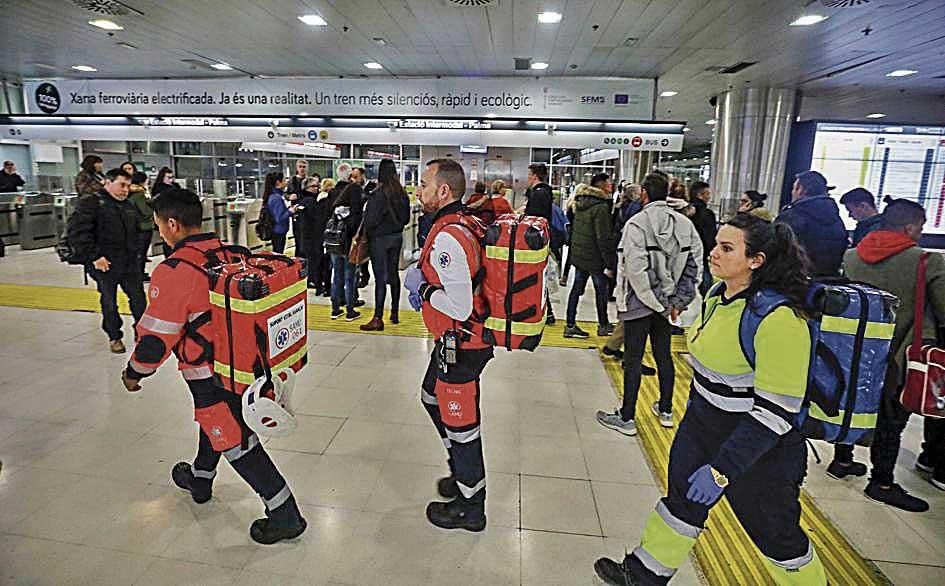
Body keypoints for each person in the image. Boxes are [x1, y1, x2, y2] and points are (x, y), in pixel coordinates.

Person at [594, 213, 826, 586]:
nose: (713, 253)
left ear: (757, 261)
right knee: (681, 504)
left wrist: (723, 469)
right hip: (703, 426)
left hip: (760, 448)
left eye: (726, 248)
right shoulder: (719, 296)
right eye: (716, 243)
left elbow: (774, 413)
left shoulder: (779, 319)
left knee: (774, 531)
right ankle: (643, 575)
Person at [120, 188, 306, 545]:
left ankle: (286, 515)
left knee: (234, 439)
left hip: (208, 373)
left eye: (159, 224)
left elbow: (157, 338)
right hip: (248, 364)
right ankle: (201, 479)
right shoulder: (233, 253)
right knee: (216, 421)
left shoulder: (174, 271)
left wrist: (134, 373)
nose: (159, 232)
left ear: (172, 224)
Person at [825, 198, 936, 512]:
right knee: (891, 419)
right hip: (899, 354)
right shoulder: (926, 260)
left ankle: (842, 460)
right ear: (911, 226)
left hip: (856, 349)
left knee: (853, 403)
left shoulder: (852, 255)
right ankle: (882, 482)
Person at [403, 158, 494, 531]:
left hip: (462, 344)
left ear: (444, 190)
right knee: (430, 398)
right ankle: (461, 470)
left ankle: (471, 508)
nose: (419, 191)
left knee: (463, 428)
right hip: (453, 342)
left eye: (424, 184)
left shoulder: (448, 236)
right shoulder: (463, 222)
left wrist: (422, 289)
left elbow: (459, 305)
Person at [596, 172, 702, 435]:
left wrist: (653, 301)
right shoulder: (684, 224)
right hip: (667, 304)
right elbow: (694, 265)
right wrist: (675, 302)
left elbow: (636, 270)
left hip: (639, 303)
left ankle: (627, 416)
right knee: (663, 354)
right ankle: (666, 409)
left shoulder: (637, 224)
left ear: (644, 193)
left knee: (633, 358)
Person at [67, 168, 147, 353]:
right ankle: (114, 336)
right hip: (104, 262)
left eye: (128, 186)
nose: (125, 189)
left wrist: (138, 255)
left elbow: (136, 231)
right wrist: (94, 256)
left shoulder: (127, 205)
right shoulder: (92, 203)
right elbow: (77, 233)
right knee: (109, 301)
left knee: (139, 299)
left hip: (128, 262)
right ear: (107, 182)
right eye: (121, 185)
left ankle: (142, 332)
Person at [564, 174, 617, 339]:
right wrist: (609, 263)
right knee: (601, 291)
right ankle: (603, 325)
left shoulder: (580, 203)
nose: (611, 186)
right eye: (609, 183)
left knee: (576, 290)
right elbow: (603, 237)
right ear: (601, 185)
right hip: (594, 258)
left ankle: (570, 325)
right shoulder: (600, 207)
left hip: (581, 255)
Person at [360, 158, 411, 331]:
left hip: (379, 240)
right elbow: (406, 219)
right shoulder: (401, 193)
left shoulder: (378, 194)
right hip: (397, 237)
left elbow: (370, 221)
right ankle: (395, 313)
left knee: (380, 278)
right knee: (393, 275)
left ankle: (377, 318)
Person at [776, 170, 848, 277]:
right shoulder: (836, 218)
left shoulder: (790, 217)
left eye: (793, 188)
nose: (792, 192)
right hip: (829, 280)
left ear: (801, 190)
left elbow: (775, 249)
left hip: (794, 281)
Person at [524, 163, 558, 325]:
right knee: (536, 278)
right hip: (541, 240)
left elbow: (534, 220)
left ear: (535, 176)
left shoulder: (538, 194)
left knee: (535, 278)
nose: (527, 177)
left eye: (529, 174)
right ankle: (547, 313)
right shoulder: (544, 192)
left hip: (534, 243)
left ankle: (546, 313)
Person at [329, 169, 365, 321]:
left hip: (334, 248)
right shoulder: (355, 215)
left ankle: (335, 309)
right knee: (350, 278)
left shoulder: (336, 212)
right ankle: (350, 310)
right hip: (349, 249)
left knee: (336, 277)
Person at [297, 177, 331, 292]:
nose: (316, 188)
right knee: (314, 260)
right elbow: (317, 220)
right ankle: (315, 281)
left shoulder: (301, 201)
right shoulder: (310, 201)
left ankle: (312, 280)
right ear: (307, 188)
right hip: (312, 238)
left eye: (317, 186)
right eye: (313, 186)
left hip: (305, 237)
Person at [689, 181, 717, 295]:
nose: (709, 197)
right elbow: (710, 238)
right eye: (708, 194)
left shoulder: (685, 211)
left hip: (685, 254)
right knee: (706, 286)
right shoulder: (707, 214)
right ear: (700, 195)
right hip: (701, 255)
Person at [127, 171, 155, 281]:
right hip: (144, 226)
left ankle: (136, 273)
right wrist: (152, 208)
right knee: (141, 252)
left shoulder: (129, 192)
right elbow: (145, 211)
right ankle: (139, 274)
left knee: (137, 251)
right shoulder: (139, 194)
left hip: (134, 226)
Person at [263, 172, 294, 254]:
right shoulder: (276, 198)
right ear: (278, 182)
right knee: (278, 254)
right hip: (278, 231)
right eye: (284, 180)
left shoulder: (277, 195)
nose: (286, 182)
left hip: (278, 230)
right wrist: (290, 211)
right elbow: (279, 218)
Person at [285, 159, 309, 256]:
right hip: (296, 214)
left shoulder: (309, 181)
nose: (302, 169)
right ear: (297, 168)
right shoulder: (292, 181)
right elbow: (285, 194)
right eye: (300, 167)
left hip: (308, 213)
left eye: (304, 167)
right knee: (298, 237)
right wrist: (289, 197)